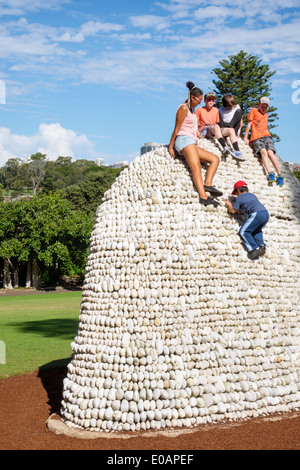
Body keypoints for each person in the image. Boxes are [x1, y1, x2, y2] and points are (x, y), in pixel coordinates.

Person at [169, 82, 222, 207]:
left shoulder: (192, 109)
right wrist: (171, 146)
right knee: (196, 166)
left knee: (215, 159)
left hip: (191, 141)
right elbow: (176, 129)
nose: (200, 102)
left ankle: (208, 184)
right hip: (183, 139)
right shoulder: (183, 108)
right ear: (192, 98)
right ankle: (203, 197)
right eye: (198, 100)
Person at [244, 97, 284, 186]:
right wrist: (246, 137)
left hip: (267, 136)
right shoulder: (254, 111)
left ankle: (280, 175)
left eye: (266, 107)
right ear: (259, 105)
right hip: (257, 138)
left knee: (270, 153)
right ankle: (270, 173)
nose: (264, 108)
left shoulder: (266, 116)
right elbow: (249, 124)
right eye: (263, 106)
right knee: (263, 152)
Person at [225, 180, 269, 260]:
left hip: (256, 214)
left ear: (238, 190)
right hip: (265, 214)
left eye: (236, 192)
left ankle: (253, 249)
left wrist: (229, 205)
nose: (236, 195)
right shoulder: (253, 195)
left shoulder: (239, 198)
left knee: (243, 232)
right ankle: (261, 246)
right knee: (256, 230)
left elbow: (233, 211)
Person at [196, 92, 244, 161]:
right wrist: (197, 132)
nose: (211, 101)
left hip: (214, 129)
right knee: (215, 127)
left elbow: (218, 123)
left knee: (231, 130)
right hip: (204, 129)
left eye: (212, 100)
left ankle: (237, 150)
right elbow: (195, 123)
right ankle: (224, 147)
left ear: (215, 101)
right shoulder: (200, 110)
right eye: (209, 99)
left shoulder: (216, 110)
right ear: (205, 100)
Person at [218, 94, 244, 160]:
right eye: (229, 106)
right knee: (218, 116)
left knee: (239, 112)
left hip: (233, 127)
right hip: (224, 128)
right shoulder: (220, 110)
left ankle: (237, 150)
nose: (230, 107)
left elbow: (239, 122)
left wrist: (239, 134)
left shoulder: (237, 108)